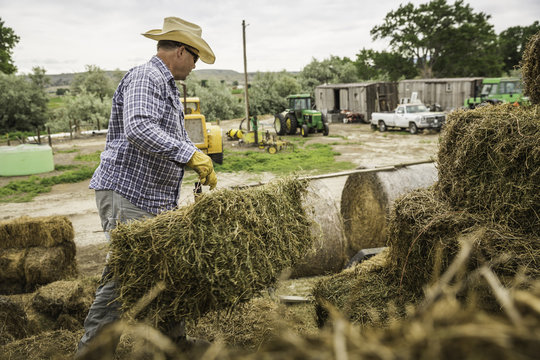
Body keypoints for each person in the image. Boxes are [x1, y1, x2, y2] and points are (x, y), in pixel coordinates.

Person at [76, 16, 217, 355]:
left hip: (149, 199)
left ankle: (174, 343)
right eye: (195, 58)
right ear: (182, 51)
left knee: (167, 267)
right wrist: (191, 155)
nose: (195, 66)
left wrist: (190, 158)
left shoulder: (165, 85)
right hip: (128, 195)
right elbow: (139, 128)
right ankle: (92, 354)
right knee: (123, 279)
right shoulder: (146, 77)